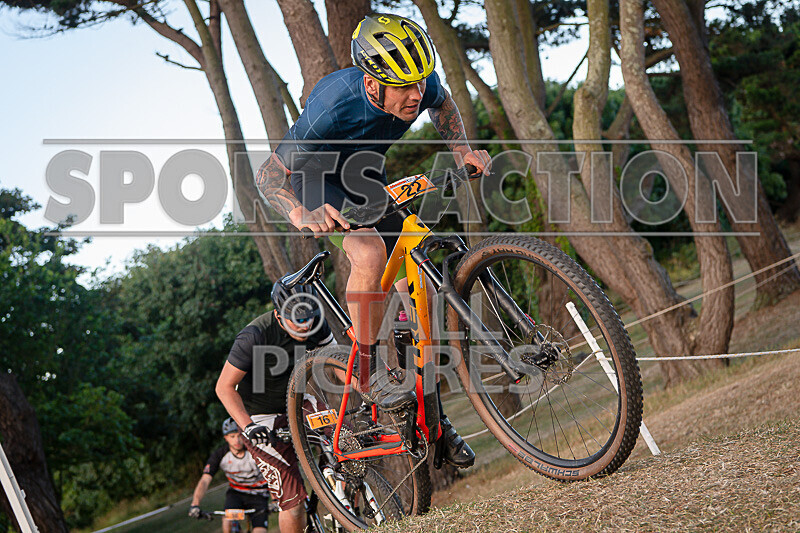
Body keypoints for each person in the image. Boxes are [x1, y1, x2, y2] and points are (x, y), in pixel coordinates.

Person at [255, 13, 482, 468]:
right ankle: (369, 370)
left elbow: (444, 105)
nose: (415, 95)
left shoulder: (419, 85)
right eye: (404, 87)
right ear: (373, 82)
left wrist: (462, 149)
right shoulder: (336, 104)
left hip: (365, 175)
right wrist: (303, 214)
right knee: (370, 251)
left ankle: (426, 412)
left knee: (414, 282)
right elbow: (268, 175)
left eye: (420, 83)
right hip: (314, 180)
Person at [216, 281, 335, 533]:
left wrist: (370, 391)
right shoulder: (254, 335)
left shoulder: (316, 323)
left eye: (309, 319)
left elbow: (339, 363)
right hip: (260, 418)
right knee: (293, 506)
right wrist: (247, 426)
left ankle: (343, 512)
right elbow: (224, 387)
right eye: (297, 321)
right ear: (280, 315)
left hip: (299, 403)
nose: (305, 326)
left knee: (346, 443)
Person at [188, 417, 271, 533]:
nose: (237, 440)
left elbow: (272, 474)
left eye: (239, 436)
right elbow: (205, 480)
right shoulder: (220, 455)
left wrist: (276, 499)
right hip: (236, 494)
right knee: (227, 521)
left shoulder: (255, 451)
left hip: (259, 494)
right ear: (225, 438)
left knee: (260, 531)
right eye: (232, 436)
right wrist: (195, 504)